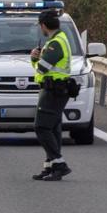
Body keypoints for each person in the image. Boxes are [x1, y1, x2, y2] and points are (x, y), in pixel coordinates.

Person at [30, 10, 73, 181]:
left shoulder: (55, 44)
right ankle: (50, 166)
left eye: (40, 26)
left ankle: (59, 164)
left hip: (53, 91)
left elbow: (42, 68)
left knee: (41, 127)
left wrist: (34, 59)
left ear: (44, 25)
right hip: (57, 90)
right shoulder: (59, 40)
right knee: (53, 128)